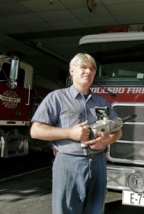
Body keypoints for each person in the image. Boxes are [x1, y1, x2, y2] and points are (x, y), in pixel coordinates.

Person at [30, 53, 122, 214]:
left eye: (92, 69)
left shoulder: (101, 102)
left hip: (98, 163)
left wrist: (108, 140)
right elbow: (35, 131)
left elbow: (118, 131)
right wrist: (70, 133)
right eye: (83, 67)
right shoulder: (56, 98)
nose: (88, 71)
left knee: (95, 209)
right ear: (72, 71)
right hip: (68, 163)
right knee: (66, 210)